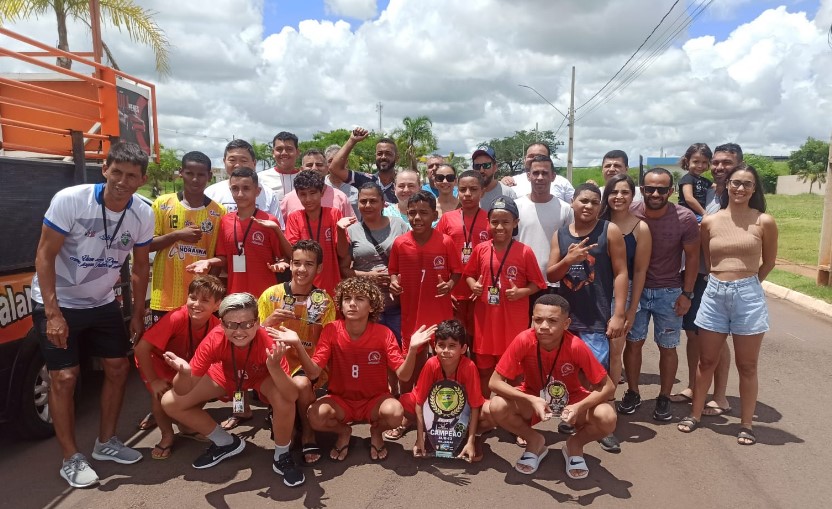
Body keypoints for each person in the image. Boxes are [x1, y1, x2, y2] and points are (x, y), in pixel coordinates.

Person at [31, 141, 153, 488]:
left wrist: (137, 313)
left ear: (142, 179)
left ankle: (106, 443)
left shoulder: (142, 212)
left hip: (102, 303)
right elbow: (44, 255)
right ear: (105, 170)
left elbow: (141, 268)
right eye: (116, 172)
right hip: (59, 302)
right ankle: (71, 458)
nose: (122, 181)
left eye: (131, 176)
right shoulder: (71, 199)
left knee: (117, 368)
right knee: (65, 377)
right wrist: (53, 313)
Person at [273, 277, 436, 461]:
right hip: (341, 400)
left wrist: (413, 349)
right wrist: (297, 344)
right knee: (315, 416)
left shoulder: (384, 334)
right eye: (347, 299)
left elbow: (403, 375)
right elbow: (313, 373)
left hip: (375, 400)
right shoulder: (331, 330)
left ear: (372, 306)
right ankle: (344, 431)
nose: (352, 304)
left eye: (359, 299)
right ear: (340, 306)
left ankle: (376, 431)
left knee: (395, 413)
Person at [678, 164, 778, 446]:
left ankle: (746, 424)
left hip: (748, 294)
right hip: (714, 292)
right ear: (726, 186)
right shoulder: (710, 221)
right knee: (706, 360)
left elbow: (769, 261)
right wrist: (720, 279)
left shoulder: (764, 221)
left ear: (755, 189)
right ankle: (695, 414)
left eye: (747, 184)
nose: (740, 188)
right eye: (735, 183)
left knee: (748, 365)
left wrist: (750, 283)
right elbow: (707, 258)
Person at [160, 293, 305, 487]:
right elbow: (182, 390)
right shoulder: (215, 340)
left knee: (282, 398)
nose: (239, 331)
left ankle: (282, 455)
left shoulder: (268, 342)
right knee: (170, 402)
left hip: (262, 376)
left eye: (246, 324)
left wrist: (275, 367)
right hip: (225, 375)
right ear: (221, 323)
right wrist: (184, 373)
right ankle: (226, 443)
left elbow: (292, 395)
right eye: (230, 324)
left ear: (257, 322)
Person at [488, 294, 616, 478]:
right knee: (496, 406)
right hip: (533, 396)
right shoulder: (524, 340)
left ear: (566, 323)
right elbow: (494, 382)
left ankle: (575, 445)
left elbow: (608, 387)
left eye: (552, 321)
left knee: (607, 416)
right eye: (538, 320)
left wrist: (578, 406)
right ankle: (535, 442)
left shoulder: (576, 346)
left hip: (571, 399)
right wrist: (530, 399)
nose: (544, 327)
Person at [618, 168, 700, 422]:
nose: (655, 193)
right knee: (633, 343)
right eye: (649, 189)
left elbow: (694, 258)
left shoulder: (684, 218)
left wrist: (687, 293)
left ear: (671, 191)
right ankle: (633, 392)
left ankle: (664, 396)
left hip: (669, 291)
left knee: (668, 346)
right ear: (641, 190)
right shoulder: (630, 212)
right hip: (636, 291)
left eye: (662, 189)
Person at [258, 240, 336, 466]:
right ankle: (287, 424)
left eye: (309, 264)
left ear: (319, 268)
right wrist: (270, 321)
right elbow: (254, 336)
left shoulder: (324, 301)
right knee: (283, 386)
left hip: (307, 364)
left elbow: (328, 341)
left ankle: (308, 432)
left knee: (301, 385)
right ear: (290, 265)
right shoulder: (270, 294)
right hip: (274, 363)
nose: (302, 269)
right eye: (297, 263)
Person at [134, 275, 225, 460]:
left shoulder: (217, 327)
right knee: (160, 394)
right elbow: (141, 348)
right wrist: (154, 380)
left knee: (205, 386)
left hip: (184, 366)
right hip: (158, 362)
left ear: (217, 305)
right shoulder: (177, 317)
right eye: (193, 297)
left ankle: (186, 425)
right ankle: (167, 435)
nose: (196, 304)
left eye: (205, 300)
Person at [464, 197, 546, 398]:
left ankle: (511, 413)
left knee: (514, 373)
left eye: (506, 222)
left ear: (516, 223)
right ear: (488, 222)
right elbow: (468, 274)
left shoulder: (524, 252)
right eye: (494, 221)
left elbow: (538, 284)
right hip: (485, 322)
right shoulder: (481, 249)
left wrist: (521, 292)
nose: (499, 227)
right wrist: (473, 285)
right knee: (484, 370)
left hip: (512, 324)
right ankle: (485, 412)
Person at [547, 183, 628, 372]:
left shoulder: (610, 231)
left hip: (596, 319)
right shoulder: (560, 234)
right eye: (583, 201)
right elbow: (551, 274)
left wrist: (618, 314)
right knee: (565, 372)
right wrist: (568, 260)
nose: (588, 206)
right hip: (566, 319)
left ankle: (600, 402)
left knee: (594, 374)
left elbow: (621, 273)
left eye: (594, 203)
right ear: (572, 202)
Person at [598, 173, 652, 451]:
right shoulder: (598, 223)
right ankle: (585, 409)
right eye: (613, 192)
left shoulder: (640, 228)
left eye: (625, 192)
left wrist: (631, 309)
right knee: (592, 352)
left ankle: (608, 411)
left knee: (614, 355)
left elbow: (640, 270)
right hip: (595, 292)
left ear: (633, 196)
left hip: (623, 294)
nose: (619, 197)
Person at [389, 191, 462, 389]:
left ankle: (444, 401)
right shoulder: (400, 243)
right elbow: (393, 271)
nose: (417, 218)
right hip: (411, 315)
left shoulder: (445, 242)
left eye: (423, 212)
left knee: (444, 359)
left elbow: (457, 272)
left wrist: (449, 285)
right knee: (412, 361)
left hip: (439, 314)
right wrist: (394, 282)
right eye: (412, 213)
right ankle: (408, 406)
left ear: (434, 216)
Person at [187, 167, 291, 298]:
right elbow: (223, 257)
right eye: (235, 189)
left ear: (257, 191)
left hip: (265, 295)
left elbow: (283, 256)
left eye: (246, 188)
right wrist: (209, 262)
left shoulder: (269, 221)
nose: (240, 194)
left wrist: (281, 263)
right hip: (235, 294)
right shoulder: (225, 221)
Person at [399, 319, 493, 462]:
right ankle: (430, 436)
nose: (445, 351)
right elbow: (419, 402)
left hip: (462, 414)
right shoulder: (431, 364)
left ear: (463, 348)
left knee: (492, 410)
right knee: (405, 402)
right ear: (434, 347)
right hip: (436, 414)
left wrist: (471, 441)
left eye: (452, 346)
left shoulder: (469, 367)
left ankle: (469, 438)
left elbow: (474, 405)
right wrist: (419, 438)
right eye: (441, 345)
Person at [148, 151, 225, 325]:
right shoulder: (162, 204)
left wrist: (208, 292)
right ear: (181, 173)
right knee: (163, 349)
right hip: (165, 297)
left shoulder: (219, 212)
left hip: (200, 302)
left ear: (209, 176)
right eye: (190, 173)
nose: (195, 179)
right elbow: (146, 245)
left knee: (197, 349)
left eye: (201, 175)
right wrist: (177, 235)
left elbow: (220, 258)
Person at [346, 183, 410, 347]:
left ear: (383, 203)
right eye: (363, 201)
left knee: (399, 351)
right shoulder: (351, 231)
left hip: (398, 305)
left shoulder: (399, 226)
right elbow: (343, 270)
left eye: (373, 201)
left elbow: (411, 261)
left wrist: (396, 279)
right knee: (371, 353)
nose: (368, 205)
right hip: (367, 308)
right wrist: (369, 277)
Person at [515, 155, 574, 318]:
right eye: (535, 173)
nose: (540, 177)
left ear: (553, 176)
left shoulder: (565, 209)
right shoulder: (516, 206)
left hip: (554, 283)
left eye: (545, 173)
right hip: (522, 283)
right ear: (528, 176)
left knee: (549, 334)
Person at [435, 171, 490, 344]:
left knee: (476, 340)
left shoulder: (490, 219)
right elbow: (437, 254)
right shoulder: (447, 219)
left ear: (482, 191)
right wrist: (446, 289)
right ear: (457, 190)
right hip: (453, 292)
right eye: (463, 189)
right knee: (453, 341)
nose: (467, 194)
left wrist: (483, 287)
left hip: (478, 293)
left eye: (473, 189)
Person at [283, 170, 352, 296]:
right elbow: (291, 253)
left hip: (331, 284)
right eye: (303, 194)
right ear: (297, 195)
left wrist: (340, 230)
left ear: (322, 192)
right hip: (303, 285)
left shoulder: (334, 214)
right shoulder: (295, 217)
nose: (308, 199)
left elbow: (342, 253)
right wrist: (277, 231)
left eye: (313, 193)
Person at [204, 139, 281, 219]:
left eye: (243, 160)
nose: (237, 165)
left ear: (254, 163)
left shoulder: (269, 195)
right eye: (232, 160)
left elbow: (278, 228)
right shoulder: (210, 193)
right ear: (224, 162)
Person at [329, 128, 399, 204]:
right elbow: (335, 168)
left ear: (397, 157)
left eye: (388, 153)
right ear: (375, 156)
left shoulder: (403, 186)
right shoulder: (366, 180)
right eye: (379, 153)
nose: (383, 157)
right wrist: (352, 141)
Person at [280, 148, 354, 219]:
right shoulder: (288, 199)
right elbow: (281, 229)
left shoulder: (341, 197)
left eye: (319, 165)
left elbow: (352, 228)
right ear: (302, 169)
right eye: (309, 165)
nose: (314, 168)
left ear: (327, 168)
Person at [500, 143, 575, 202]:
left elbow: (574, 208)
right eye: (531, 156)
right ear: (524, 159)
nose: (535, 159)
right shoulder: (511, 182)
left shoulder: (563, 183)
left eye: (539, 156)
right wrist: (501, 184)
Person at [257, 131, 301, 202]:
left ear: (298, 152)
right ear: (273, 153)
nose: (284, 153)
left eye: (289, 149)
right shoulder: (260, 178)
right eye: (279, 149)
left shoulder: (306, 178)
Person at [677, 143, 713, 222]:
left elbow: (717, 187)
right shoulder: (687, 179)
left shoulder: (705, 181)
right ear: (687, 161)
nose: (700, 166)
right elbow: (689, 198)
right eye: (696, 162)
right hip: (687, 214)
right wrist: (704, 213)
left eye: (704, 162)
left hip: (698, 214)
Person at [325, 144, 361, 219]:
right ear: (326, 164)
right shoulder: (321, 185)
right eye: (330, 161)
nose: (335, 164)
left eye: (338, 160)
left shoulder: (357, 184)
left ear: (346, 162)